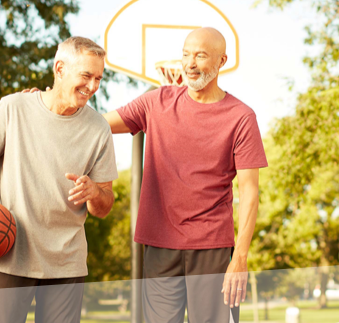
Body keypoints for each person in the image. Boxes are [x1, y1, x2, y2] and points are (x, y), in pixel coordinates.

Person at [0, 36, 118, 323]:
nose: (93, 86)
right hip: (10, 256)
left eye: (99, 78)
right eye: (86, 75)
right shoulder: (12, 108)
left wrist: (94, 194)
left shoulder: (99, 129)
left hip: (67, 265)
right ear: (60, 69)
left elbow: (104, 206)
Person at [103, 27, 268, 322]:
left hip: (211, 248)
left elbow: (250, 194)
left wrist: (240, 257)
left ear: (222, 61)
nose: (190, 63)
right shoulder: (156, 101)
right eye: (186, 54)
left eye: (201, 55)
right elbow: (99, 124)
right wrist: (50, 106)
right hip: (159, 246)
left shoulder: (241, 117)